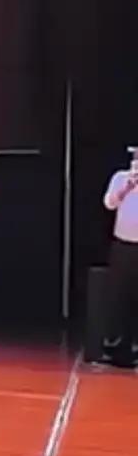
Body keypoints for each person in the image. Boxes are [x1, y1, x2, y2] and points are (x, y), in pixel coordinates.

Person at [99, 150, 138, 369]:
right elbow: (109, 204)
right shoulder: (120, 178)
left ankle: (135, 349)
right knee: (119, 296)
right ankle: (116, 349)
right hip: (122, 245)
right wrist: (126, 189)